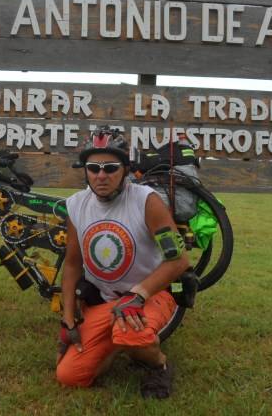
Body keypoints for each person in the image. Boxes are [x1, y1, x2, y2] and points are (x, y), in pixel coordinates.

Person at [56, 126, 190, 399]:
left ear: (125, 169)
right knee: (68, 376)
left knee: (130, 332)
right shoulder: (76, 205)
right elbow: (72, 265)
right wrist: (68, 316)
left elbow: (179, 260)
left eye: (110, 167)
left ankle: (159, 365)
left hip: (151, 296)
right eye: (93, 168)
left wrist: (138, 294)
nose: (101, 175)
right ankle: (116, 341)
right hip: (106, 303)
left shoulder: (146, 202)